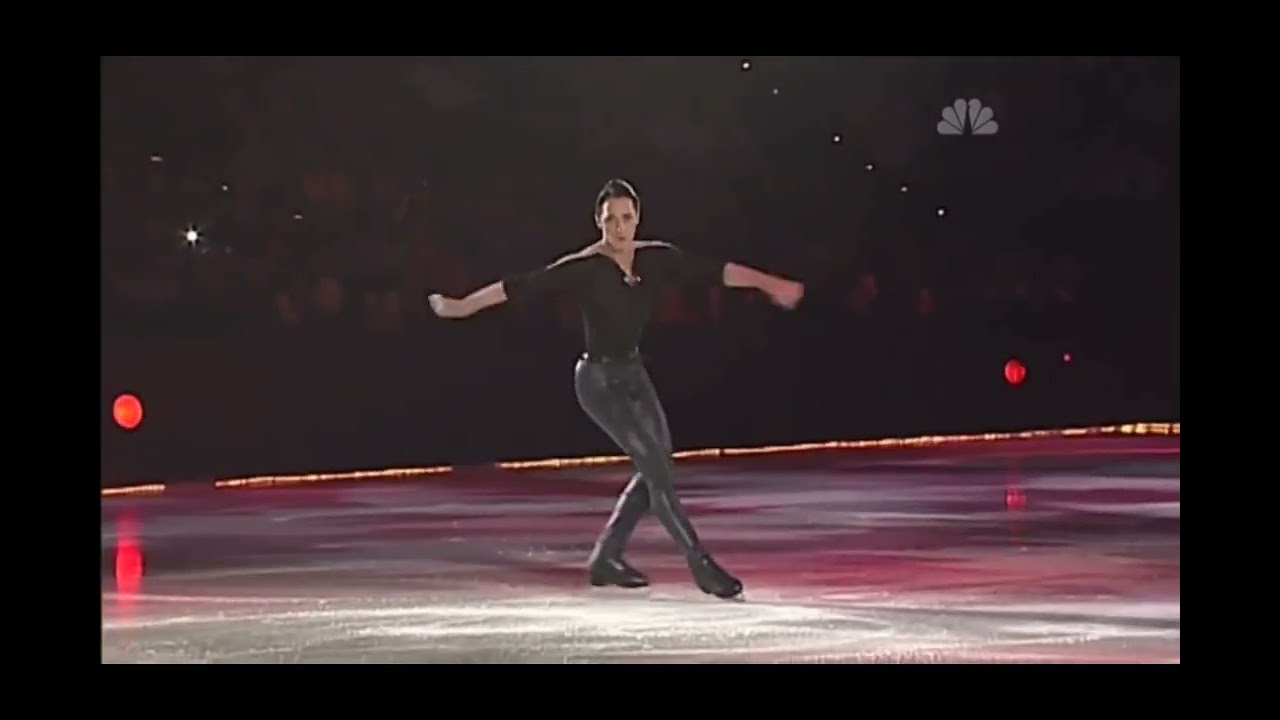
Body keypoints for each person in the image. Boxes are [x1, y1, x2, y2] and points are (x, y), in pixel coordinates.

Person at [428, 179, 804, 600]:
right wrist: (462, 306)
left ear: (637, 218)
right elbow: (520, 285)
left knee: (658, 465)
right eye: (611, 220)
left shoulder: (656, 258)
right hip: (597, 383)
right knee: (657, 470)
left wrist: (770, 283)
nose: (619, 227)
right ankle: (699, 562)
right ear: (599, 222)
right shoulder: (585, 267)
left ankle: (606, 558)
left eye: (626, 218)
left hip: (635, 375)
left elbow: (716, 271)